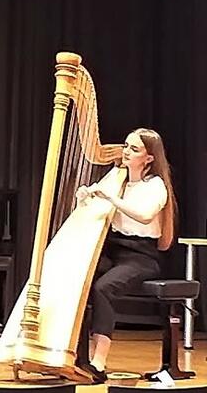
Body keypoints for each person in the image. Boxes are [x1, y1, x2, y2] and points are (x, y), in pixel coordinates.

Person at [75, 128, 176, 383]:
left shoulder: (155, 186)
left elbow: (144, 214)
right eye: (126, 146)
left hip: (141, 256)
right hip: (112, 250)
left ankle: (98, 363)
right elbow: (93, 213)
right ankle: (73, 356)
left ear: (149, 158)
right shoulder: (116, 180)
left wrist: (111, 198)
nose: (126, 152)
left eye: (134, 149)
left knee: (103, 288)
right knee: (75, 275)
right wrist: (84, 198)